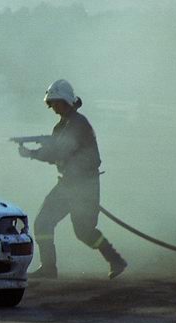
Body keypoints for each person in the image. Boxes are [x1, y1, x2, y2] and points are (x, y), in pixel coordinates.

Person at [18, 79, 127, 279]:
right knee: (43, 223)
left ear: (65, 101)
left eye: (55, 102)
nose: (52, 107)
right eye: (50, 103)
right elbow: (56, 153)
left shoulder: (77, 124)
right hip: (70, 184)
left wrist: (32, 153)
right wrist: (38, 150)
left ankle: (116, 260)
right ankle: (49, 268)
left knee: (84, 232)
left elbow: (59, 151)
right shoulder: (63, 125)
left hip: (83, 186)